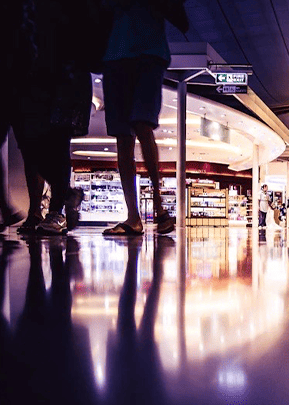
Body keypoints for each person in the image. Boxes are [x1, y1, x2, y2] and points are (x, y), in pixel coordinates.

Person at [101, 0, 188, 236]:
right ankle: (136, 216)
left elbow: (179, 16)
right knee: (124, 135)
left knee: (141, 125)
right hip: (119, 56)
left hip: (144, 55)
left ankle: (157, 209)